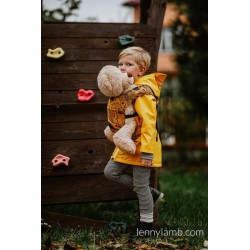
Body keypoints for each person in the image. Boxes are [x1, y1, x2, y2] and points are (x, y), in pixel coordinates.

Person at [104, 46, 167, 233]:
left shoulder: (144, 92)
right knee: (110, 172)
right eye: (120, 64)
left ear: (141, 69)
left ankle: (146, 226)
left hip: (143, 146)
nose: (122, 67)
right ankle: (152, 193)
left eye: (128, 64)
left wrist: (147, 151)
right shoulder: (126, 89)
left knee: (140, 185)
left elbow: (149, 122)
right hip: (127, 144)